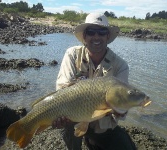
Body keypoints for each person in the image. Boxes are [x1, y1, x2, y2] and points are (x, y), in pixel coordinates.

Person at [52, 12, 137, 150]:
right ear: (84, 36)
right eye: (91, 32)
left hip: (102, 127)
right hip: (74, 120)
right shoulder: (72, 55)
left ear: (107, 36)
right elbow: (62, 91)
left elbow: (121, 103)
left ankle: (93, 141)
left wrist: (121, 110)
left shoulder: (120, 66)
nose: (96, 37)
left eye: (102, 32)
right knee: (66, 126)